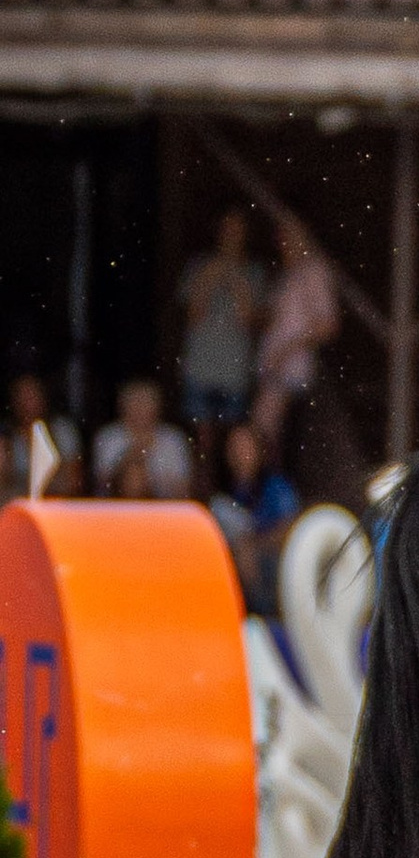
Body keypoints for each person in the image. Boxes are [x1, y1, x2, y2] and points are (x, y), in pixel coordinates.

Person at [176, 208, 269, 441]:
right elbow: (192, 314)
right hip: (200, 367)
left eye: (237, 229)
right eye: (227, 228)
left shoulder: (255, 272)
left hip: (234, 372)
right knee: (202, 442)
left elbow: (250, 319)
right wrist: (213, 273)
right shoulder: (198, 265)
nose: (232, 234)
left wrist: (236, 277)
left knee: (232, 439)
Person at [252, 215, 340, 454]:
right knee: (269, 437)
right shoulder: (287, 273)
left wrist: (286, 350)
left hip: (291, 368)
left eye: (291, 235)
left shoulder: (314, 271)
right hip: (273, 366)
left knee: (263, 433)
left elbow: (328, 325)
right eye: (281, 236)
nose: (285, 242)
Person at [211, 420, 300, 616]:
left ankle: (265, 615)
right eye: (234, 446)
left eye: (245, 446)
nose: (240, 453)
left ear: (259, 450)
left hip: (272, 559)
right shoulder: (224, 492)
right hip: (232, 561)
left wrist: (254, 545)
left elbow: (290, 529)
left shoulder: (276, 486)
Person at [90, 375, 193, 500]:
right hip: (116, 506)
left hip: (162, 508)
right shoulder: (108, 436)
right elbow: (102, 481)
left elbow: (183, 487)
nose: (139, 408)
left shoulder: (173, 438)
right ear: (122, 405)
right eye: (135, 402)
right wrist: (135, 454)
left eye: (145, 402)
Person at [2, 368, 79, 500]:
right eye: (21, 396)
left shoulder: (63, 430)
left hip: (55, 504)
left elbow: (73, 482)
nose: (26, 403)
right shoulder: (6, 435)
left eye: (32, 395)